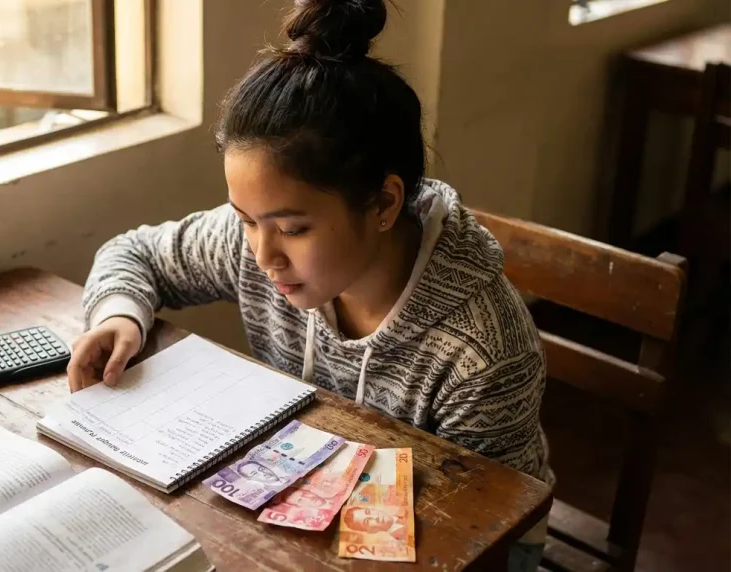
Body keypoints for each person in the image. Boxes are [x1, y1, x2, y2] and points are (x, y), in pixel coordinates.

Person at [66, 0, 552, 568]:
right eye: (246, 220)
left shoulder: (480, 352)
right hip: (307, 506)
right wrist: (120, 316)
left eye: (293, 228)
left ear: (384, 203)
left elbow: (488, 522)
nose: (263, 255)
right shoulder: (252, 246)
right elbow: (136, 253)